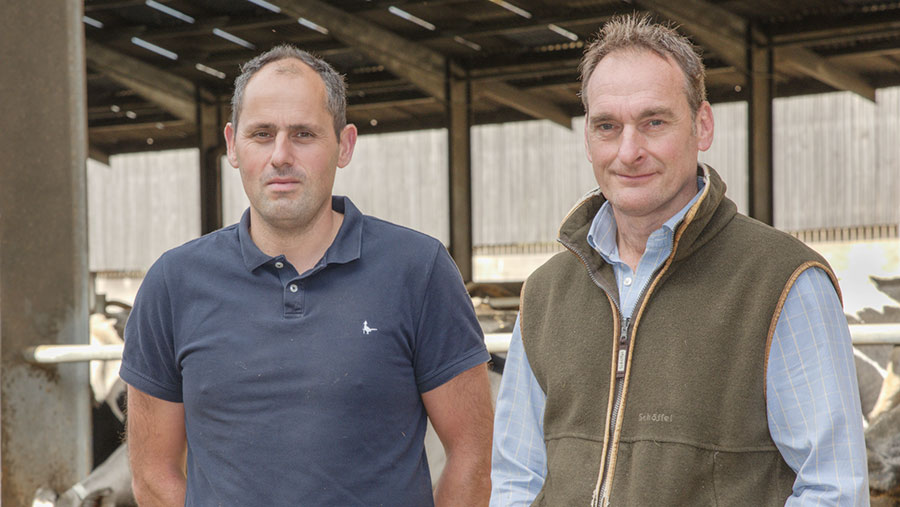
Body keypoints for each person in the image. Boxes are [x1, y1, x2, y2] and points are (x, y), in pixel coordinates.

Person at [490, 14, 868, 507]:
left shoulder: (783, 282)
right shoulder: (545, 293)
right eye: (608, 126)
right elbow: (518, 481)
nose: (629, 151)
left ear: (702, 125)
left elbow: (833, 488)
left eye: (654, 122)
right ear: (587, 138)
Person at [120, 44, 493, 506]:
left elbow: (473, 459)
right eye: (261, 134)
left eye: (303, 134)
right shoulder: (173, 284)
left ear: (345, 145)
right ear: (233, 145)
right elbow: (152, 474)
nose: (281, 155)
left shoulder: (418, 270)